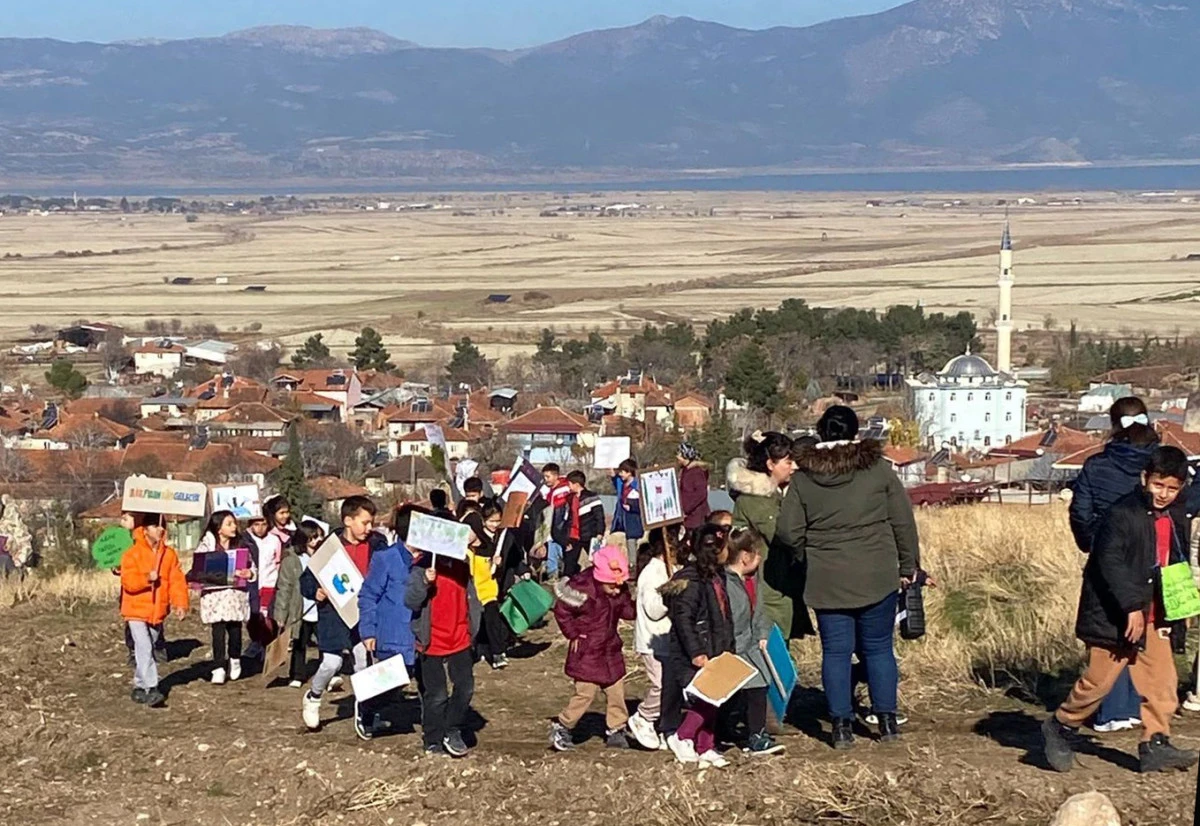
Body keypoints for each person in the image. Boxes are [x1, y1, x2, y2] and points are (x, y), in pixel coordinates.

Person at [1042, 446, 1199, 774]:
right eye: (1158, 485)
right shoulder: (1121, 514)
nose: (1164, 494)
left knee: (1163, 683)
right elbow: (1108, 562)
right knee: (1098, 682)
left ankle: (1156, 743)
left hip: (1155, 614)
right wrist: (1130, 608)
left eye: (1172, 488)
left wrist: (1179, 605)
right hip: (1116, 614)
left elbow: (1172, 561)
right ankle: (1061, 726)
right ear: (1145, 478)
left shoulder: (1176, 513)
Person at [776, 405, 919, 750]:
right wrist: (907, 565)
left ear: (821, 433)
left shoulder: (805, 478)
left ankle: (840, 726)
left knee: (836, 653)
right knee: (879, 649)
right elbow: (902, 520)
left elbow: (787, 530)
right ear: (856, 432)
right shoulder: (878, 470)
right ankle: (886, 722)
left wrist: (806, 556)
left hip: (827, 576)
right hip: (877, 571)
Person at [1067, 396, 1159, 732]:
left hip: (1109, 557)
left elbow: (1080, 511)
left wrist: (1093, 541)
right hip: (1152, 558)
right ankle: (1143, 707)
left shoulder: (1096, 466)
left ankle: (1110, 710)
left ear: (1112, 425)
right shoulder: (1157, 464)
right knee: (1149, 632)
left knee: (1109, 635)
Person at [301, 496, 387, 738]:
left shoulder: (378, 545)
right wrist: (315, 591)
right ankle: (314, 696)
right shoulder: (329, 546)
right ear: (348, 520)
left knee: (363, 663)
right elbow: (307, 580)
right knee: (332, 663)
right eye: (365, 523)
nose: (369, 529)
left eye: (371, 523)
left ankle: (367, 713)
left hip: (364, 614)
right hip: (333, 615)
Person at [660, 524, 735, 768]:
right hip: (698, 649)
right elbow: (684, 618)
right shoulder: (691, 581)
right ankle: (683, 735)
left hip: (717, 646)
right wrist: (696, 652)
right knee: (705, 698)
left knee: (715, 698)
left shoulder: (716, 576)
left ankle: (706, 745)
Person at [728, 430, 815, 642]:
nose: (794, 467)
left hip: (776, 583)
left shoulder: (773, 494)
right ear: (770, 464)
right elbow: (784, 534)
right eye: (788, 462)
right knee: (774, 649)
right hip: (768, 588)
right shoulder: (758, 500)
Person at [549, 544, 637, 751]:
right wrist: (573, 633)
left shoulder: (618, 591)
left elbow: (626, 610)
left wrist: (640, 607)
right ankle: (563, 724)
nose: (616, 590)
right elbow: (562, 611)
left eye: (619, 586)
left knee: (616, 692)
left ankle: (616, 728)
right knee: (585, 694)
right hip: (587, 650)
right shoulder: (582, 590)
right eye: (612, 586)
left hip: (610, 649)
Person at [405, 537, 482, 758]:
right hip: (432, 641)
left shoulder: (462, 565)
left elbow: (472, 598)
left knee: (465, 688)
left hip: (460, 637)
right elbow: (411, 601)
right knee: (436, 694)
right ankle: (432, 739)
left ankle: (452, 728)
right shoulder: (421, 566)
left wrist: (472, 627)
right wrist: (425, 583)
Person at [357, 505, 421, 739]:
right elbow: (368, 595)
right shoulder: (386, 558)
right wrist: (368, 631)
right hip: (392, 632)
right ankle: (366, 707)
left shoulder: (430, 562)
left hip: (420, 634)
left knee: (425, 679)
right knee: (392, 681)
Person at [724, 527, 785, 755]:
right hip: (734, 646)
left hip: (752, 645)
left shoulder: (752, 580)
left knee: (758, 686)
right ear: (745, 557)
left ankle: (756, 734)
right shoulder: (726, 583)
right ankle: (744, 732)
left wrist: (762, 633)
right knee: (735, 692)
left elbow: (759, 610)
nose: (761, 558)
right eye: (758, 554)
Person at [120, 515, 188, 707]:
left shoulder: (169, 555)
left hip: (157, 611)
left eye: (161, 526)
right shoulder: (131, 554)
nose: (159, 529)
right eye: (154, 526)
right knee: (145, 647)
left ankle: (140, 686)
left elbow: (177, 582)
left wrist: (180, 604)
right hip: (135, 610)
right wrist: (146, 578)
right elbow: (128, 582)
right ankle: (152, 688)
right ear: (144, 530)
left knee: (146, 647)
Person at [192, 511, 256, 685]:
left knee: (235, 630)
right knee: (217, 632)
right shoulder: (206, 545)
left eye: (234, 523)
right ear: (219, 528)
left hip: (235, 596)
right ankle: (218, 666)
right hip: (216, 597)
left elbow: (252, 567)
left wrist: (249, 573)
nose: (234, 527)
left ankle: (235, 658)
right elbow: (199, 568)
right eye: (229, 524)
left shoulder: (241, 545)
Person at [627, 529, 672, 751]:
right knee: (661, 684)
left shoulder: (668, 569)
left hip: (668, 639)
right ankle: (643, 717)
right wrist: (671, 596)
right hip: (652, 640)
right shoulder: (652, 573)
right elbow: (653, 610)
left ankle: (661, 726)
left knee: (671, 686)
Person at [273, 522, 324, 688]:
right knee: (299, 643)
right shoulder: (292, 560)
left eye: (320, 536)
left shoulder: (324, 557)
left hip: (321, 609)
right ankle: (297, 674)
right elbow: (284, 588)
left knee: (325, 643)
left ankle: (328, 674)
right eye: (314, 537)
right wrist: (280, 615)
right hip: (300, 610)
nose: (318, 540)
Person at [464, 502, 511, 669]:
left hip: (489, 588)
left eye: (497, 521)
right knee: (475, 623)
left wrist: (498, 562)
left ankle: (498, 653)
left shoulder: (497, 541)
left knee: (492, 620)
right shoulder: (470, 547)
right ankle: (476, 648)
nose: (494, 525)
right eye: (491, 521)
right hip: (473, 590)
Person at [554, 471, 605, 579]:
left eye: (570, 484)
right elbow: (567, 519)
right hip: (574, 536)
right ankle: (568, 585)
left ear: (576, 484)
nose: (568, 487)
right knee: (569, 564)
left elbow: (599, 517)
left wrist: (600, 532)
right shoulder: (569, 499)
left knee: (598, 562)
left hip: (590, 535)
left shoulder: (592, 497)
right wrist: (565, 538)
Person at [611, 459, 644, 566]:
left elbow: (642, 503)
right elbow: (617, 484)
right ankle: (631, 564)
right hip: (624, 518)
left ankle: (634, 565)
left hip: (635, 519)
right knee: (629, 542)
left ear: (629, 472)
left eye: (622, 472)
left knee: (633, 542)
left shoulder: (637, 485)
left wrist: (632, 507)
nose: (620, 474)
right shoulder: (623, 484)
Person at [541, 464, 572, 577]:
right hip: (552, 528)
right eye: (544, 477)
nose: (545, 480)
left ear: (556, 476)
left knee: (560, 553)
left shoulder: (563, 489)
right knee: (552, 554)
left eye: (548, 477)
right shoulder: (550, 491)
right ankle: (552, 575)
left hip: (559, 528)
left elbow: (561, 511)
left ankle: (559, 574)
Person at [678, 443, 711, 529]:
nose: (677, 457)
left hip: (697, 518)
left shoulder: (696, 472)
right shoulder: (685, 471)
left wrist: (686, 508)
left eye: (679, 455)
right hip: (688, 518)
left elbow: (701, 493)